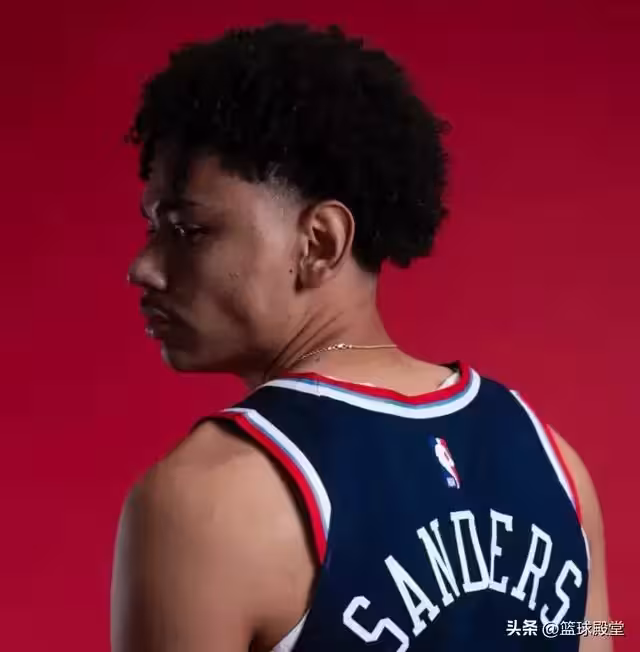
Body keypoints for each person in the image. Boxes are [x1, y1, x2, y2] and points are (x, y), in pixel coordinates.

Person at [111, 23, 611, 652]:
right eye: (153, 227)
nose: (144, 267)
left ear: (319, 243)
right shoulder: (556, 467)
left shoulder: (205, 502)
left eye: (188, 230)